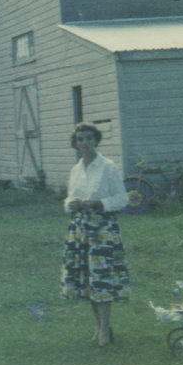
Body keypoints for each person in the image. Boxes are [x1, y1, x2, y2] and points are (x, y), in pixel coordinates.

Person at [60, 122, 131, 347]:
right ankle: (101, 327)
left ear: (96, 140)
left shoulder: (108, 167)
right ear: (75, 143)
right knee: (88, 279)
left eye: (89, 138)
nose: (84, 143)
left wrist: (99, 203)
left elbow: (122, 199)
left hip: (102, 229)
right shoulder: (75, 169)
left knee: (101, 278)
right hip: (80, 228)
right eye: (80, 139)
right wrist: (71, 204)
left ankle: (104, 333)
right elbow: (69, 197)